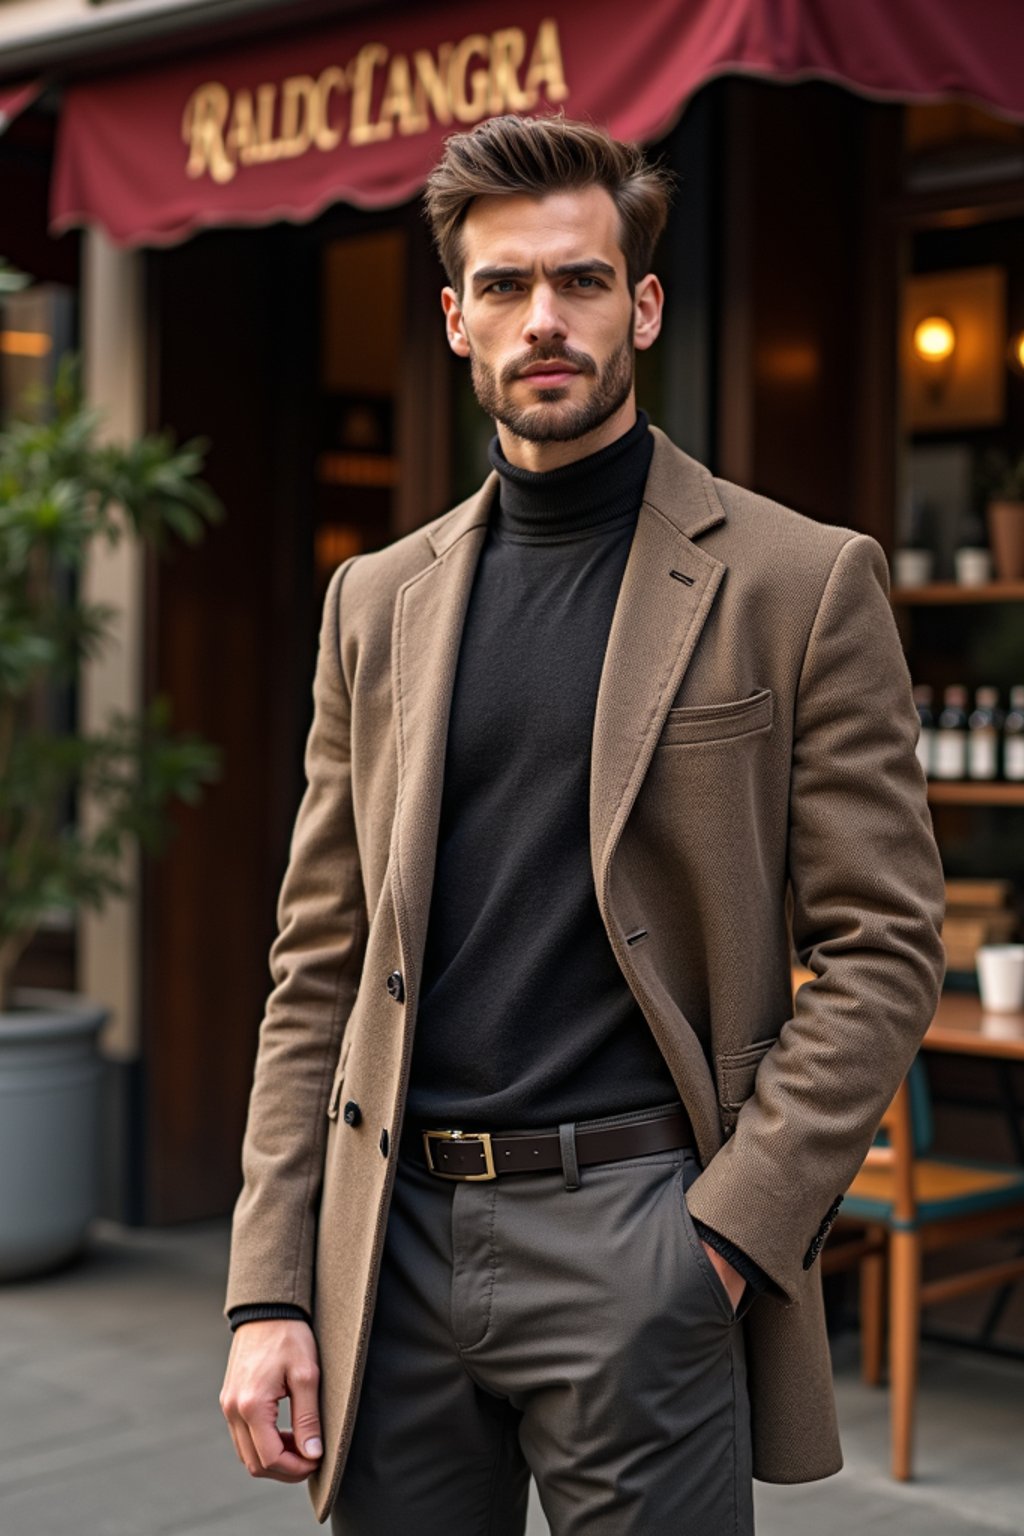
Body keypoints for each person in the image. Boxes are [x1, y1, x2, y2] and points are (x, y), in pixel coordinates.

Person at [219, 114, 946, 1535]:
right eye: (503, 287)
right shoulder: (376, 602)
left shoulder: (799, 582)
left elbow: (886, 945)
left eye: (581, 281)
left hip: (641, 1227)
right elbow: (320, 958)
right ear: (453, 319)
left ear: (644, 303)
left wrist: (729, 1235)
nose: (542, 320)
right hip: (397, 1239)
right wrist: (270, 1284)